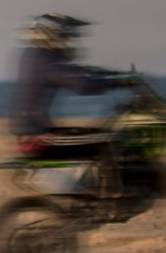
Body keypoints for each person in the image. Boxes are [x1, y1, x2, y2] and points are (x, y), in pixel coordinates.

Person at [8, 13, 132, 158]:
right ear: (50, 36)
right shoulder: (44, 60)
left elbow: (77, 72)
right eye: (64, 38)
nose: (67, 43)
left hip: (33, 133)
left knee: (105, 137)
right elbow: (83, 84)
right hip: (38, 138)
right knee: (113, 139)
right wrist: (118, 82)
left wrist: (111, 73)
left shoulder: (36, 56)